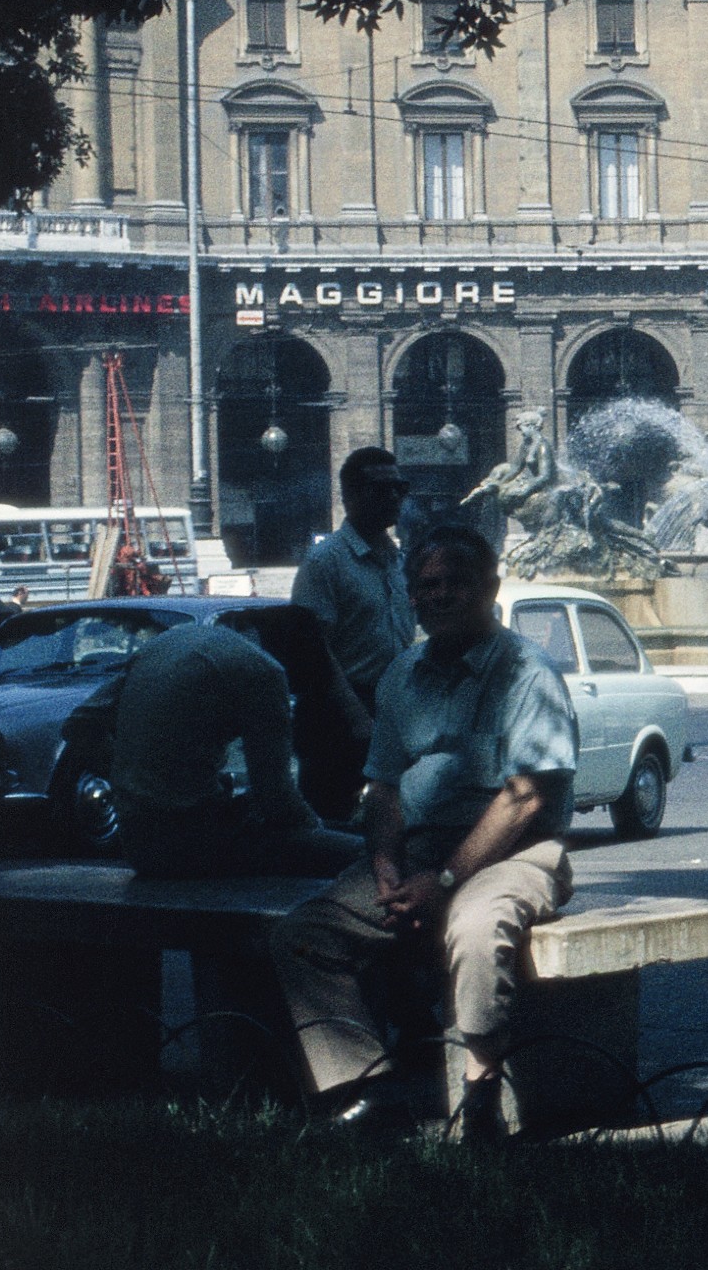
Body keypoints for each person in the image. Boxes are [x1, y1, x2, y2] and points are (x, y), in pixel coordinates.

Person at [271, 524, 579, 1136]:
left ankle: (481, 1094)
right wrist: (387, 867)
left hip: (514, 855)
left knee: (476, 928)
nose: (440, 597)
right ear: (411, 596)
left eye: (456, 584)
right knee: (303, 934)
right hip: (418, 858)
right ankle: (365, 1093)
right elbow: (383, 787)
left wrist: (443, 882)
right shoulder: (402, 675)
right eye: (427, 586)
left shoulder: (528, 673)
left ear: (489, 588)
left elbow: (524, 798)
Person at [111, 620, 363, 879]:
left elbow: (87, 724)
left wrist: (133, 781)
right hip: (190, 842)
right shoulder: (265, 671)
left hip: (135, 838)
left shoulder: (167, 644)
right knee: (362, 853)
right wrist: (316, 827)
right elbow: (276, 798)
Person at [290, 446, 416, 714]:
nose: (394, 497)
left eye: (400, 488)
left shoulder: (400, 561)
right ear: (350, 497)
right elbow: (313, 650)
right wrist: (355, 714)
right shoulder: (324, 562)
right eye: (380, 489)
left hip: (398, 705)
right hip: (343, 710)